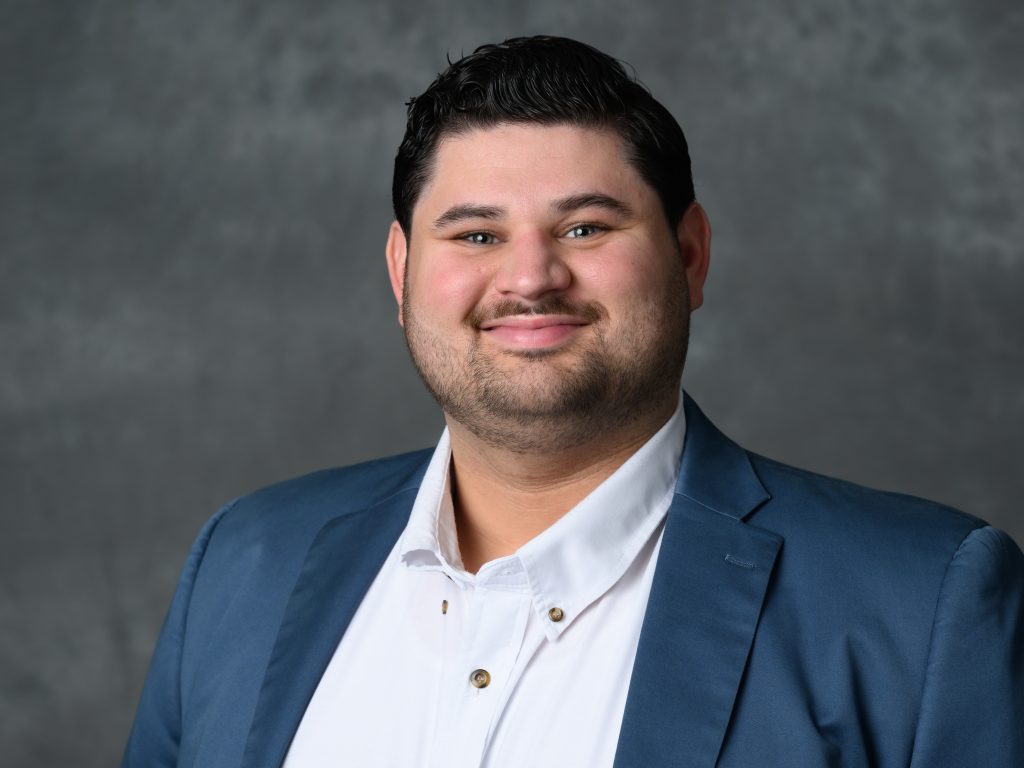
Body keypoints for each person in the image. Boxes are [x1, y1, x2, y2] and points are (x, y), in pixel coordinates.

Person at [122, 36, 1024, 768]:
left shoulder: (921, 604)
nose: (530, 277)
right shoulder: (246, 561)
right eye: (476, 234)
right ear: (401, 273)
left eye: (586, 227)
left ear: (691, 255)